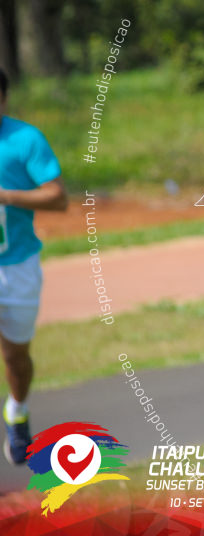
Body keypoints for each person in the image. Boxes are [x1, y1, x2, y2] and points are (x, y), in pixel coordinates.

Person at [0, 68, 67, 464]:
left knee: (15, 357)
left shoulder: (24, 140)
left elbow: (58, 198)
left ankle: (17, 411)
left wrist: (6, 195)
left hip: (17, 267)